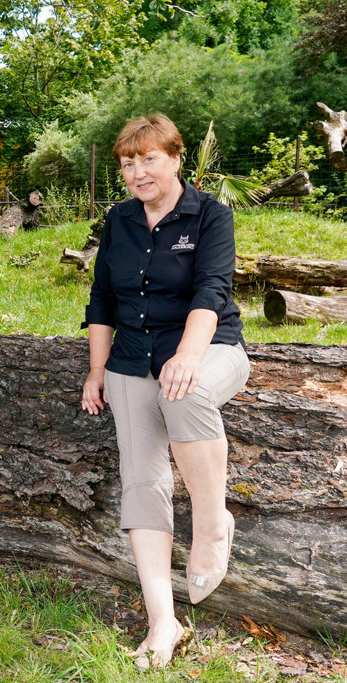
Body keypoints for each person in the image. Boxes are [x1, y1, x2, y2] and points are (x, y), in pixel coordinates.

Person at [80, 114, 250, 669]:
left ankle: (210, 521)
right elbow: (102, 298)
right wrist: (98, 370)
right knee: (142, 481)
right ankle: (163, 621)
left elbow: (212, 290)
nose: (137, 172)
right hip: (132, 358)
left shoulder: (210, 215)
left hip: (211, 349)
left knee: (187, 391)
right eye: (128, 163)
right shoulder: (118, 221)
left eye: (148, 159)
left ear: (175, 158)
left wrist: (188, 355)